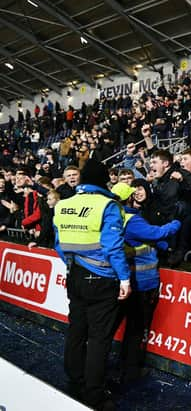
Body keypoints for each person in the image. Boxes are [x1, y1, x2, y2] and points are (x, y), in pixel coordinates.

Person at [53, 159, 131, 410]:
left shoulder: (63, 205)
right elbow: (113, 246)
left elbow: (58, 244)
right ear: (103, 180)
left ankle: (74, 380)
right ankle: (94, 393)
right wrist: (124, 277)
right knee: (99, 338)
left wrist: (76, 262)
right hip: (102, 278)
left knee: (76, 330)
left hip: (74, 274)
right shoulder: (108, 205)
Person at [110, 182, 181, 383]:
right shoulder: (132, 220)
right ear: (129, 198)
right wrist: (176, 223)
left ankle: (115, 364)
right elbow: (156, 233)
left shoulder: (115, 217)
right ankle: (130, 370)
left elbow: (145, 240)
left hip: (123, 280)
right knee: (135, 329)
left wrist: (161, 245)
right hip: (143, 282)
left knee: (117, 325)